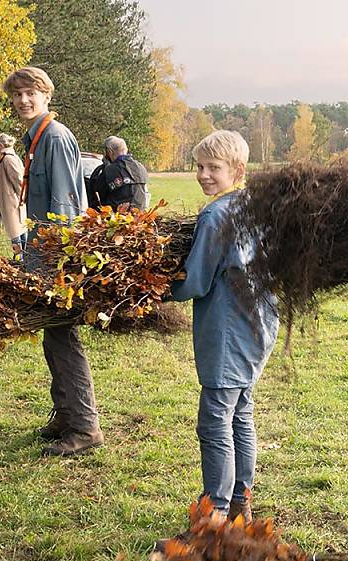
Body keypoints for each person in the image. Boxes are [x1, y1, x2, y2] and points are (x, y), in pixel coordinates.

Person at [165, 130, 278, 524]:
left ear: (238, 169)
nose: (204, 175)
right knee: (240, 411)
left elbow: (195, 280)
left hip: (229, 330)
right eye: (199, 166)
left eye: (214, 167)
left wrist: (154, 291)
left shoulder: (216, 214)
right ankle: (241, 500)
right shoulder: (254, 206)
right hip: (259, 325)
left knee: (214, 419)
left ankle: (215, 510)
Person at [3, 66, 102, 457]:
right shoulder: (34, 139)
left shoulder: (55, 139)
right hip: (41, 252)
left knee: (63, 336)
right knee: (53, 336)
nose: (24, 101)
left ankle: (84, 427)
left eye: (32, 93)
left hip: (56, 257)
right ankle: (66, 415)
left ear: (47, 96)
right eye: (18, 95)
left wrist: (51, 267)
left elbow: (63, 210)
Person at [87, 136, 149, 211]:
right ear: (126, 149)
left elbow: (96, 197)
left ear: (109, 151)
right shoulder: (140, 167)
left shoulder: (108, 170)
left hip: (116, 219)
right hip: (139, 216)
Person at [0, 133, 27, 254]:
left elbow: (18, 179)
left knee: (16, 230)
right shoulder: (5, 157)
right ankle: (21, 255)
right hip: (10, 199)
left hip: (13, 200)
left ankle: (21, 256)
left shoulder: (8, 158)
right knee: (16, 229)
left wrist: (22, 196)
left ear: (0, 144)